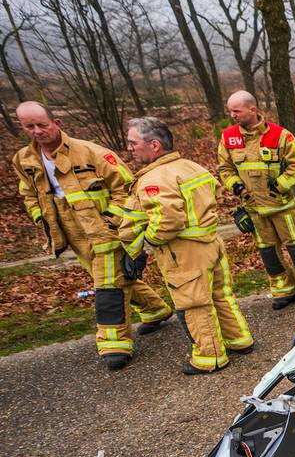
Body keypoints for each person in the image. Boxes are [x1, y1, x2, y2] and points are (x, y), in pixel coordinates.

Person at [10, 101, 172, 370]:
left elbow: (126, 187)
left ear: (57, 123)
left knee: (107, 286)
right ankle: (156, 309)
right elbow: (28, 193)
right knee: (115, 278)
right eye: (30, 127)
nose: (37, 131)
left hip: (104, 228)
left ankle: (114, 344)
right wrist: (40, 216)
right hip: (69, 231)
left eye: (42, 124)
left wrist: (113, 220)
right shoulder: (24, 160)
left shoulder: (92, 153)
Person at [122, 117, 254, 374]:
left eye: (133, 143)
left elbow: (168, 220)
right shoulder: (191, 166)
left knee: (194, 303)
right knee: (220, 295)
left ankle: (210, 358)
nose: (129, 148)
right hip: (210, 242)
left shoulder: (155, 178)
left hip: (183, 251)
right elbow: (214, 195)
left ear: (155, 145)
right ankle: (239, 341)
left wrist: (150, 240)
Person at [216, 90, 295, 309]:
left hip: (282, 207)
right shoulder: (229, 137)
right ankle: (284, 292)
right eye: (230, 111)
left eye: (236, 111)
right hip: (254, 210)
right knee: (269, 254)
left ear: (252, 109)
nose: (232, 115)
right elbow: (224, 168)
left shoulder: (280, 135)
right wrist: (236, 186)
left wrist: (280, 186)